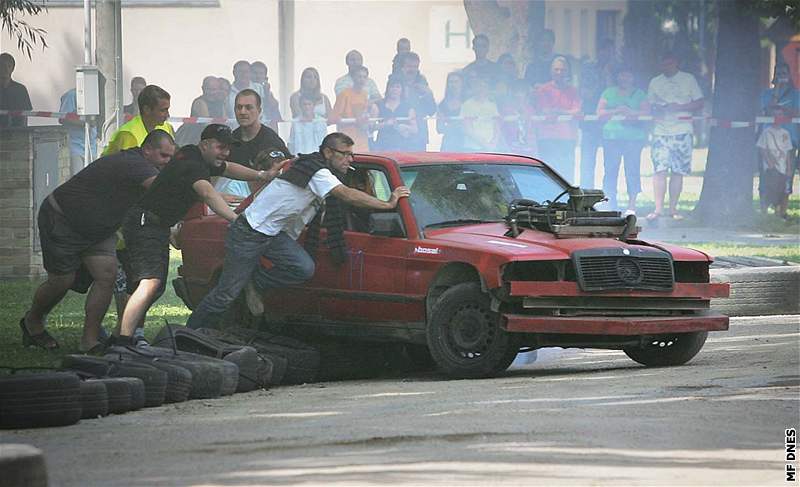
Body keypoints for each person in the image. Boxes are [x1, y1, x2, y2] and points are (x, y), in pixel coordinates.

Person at [184, 132, 411, 329]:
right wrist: (388, 204)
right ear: (328, 153)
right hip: (249, 232)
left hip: (272, 234)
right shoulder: (317, 172)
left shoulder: (314, 168)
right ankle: (189, 333)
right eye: (345, 154)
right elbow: (346, 194)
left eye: (351, 155)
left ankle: (253, 281)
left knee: (303, 268)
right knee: (226, 294)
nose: (349, 159)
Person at [114, 124, 275, 345]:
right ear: (205, 144)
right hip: (145, 222)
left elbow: (228, 168)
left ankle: (132, 335)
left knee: (155, 285)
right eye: (221, 147)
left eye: (228, 148)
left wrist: (262, 174)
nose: (225, 153)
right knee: (150, 282)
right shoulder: (192, 164)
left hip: (155, 224)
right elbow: (207, 193)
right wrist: (236, 220)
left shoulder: (193, 154)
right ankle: (123, 341)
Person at [19, 130, 175, 352]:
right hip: (62, 218)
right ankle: (32, 322)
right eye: (163, 156)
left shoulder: (144, 166)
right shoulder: (135, 163)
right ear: (147, 149)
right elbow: (165, 192)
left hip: (97, 229)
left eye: (171, 157)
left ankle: (89, 340)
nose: (167, 162)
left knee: (106, 275)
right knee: (61, 281)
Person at [646, 51, 704, 221]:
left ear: (676, 63)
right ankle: (658, 209)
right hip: (660, 131)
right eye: (663, 64)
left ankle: (673, 209)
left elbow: (699, 102)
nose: (666, 67)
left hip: (682, 130)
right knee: (660, 170)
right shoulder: (655, 82)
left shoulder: (688, 79)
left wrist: (679, 107)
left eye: (669, 63)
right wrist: (658, 108)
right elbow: (649, 105)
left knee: (678, 171)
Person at [219, 89, 291, 200]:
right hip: (233, 201)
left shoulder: (271, 139)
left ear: (259, 110)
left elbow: (288, 167)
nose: (243, 112)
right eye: (239, 107)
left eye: (248, 107)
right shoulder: (230, 140)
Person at [597, 64, 649, 215]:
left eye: (628, 75)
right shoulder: (609, 92)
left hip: (633, 139)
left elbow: (646, 112)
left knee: (632, 170)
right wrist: (616, 110)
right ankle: (609, 203)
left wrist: (631, 112)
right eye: (621, 75)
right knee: (610, 170)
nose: (624, 78)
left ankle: (632, 205)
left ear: (633, 78)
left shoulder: (639, 94)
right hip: (611, 138)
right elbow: (599, 112)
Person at [759, 63, 799, 215]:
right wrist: (776, 91)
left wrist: (782, 109)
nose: (781, 75)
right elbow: (767, 110)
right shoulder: (766, 93)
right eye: (778, 72)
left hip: (789, 140)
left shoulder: (796, 94)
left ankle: (782, 211)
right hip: (768, 139)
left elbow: (796, 112)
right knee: (767, 174)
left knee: (787, 174)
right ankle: (764, 209)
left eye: (784, 72)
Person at [534, 56, 581, 181]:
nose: (559, 73)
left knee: (567, 173)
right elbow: (544, 110)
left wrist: (559, 111)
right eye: (556, 69)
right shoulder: (543, 89)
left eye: (563, 70)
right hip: (547, 137)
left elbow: (577, 111)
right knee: (547, 172)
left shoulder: (573, 90)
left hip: (567, 137)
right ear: (551, 71)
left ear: (567, 72)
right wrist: (566, 112)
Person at [579, 39, 616, 188]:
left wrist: (608, 76)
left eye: (610, 51)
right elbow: (586, 93)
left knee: (611, 162)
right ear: (599, 51)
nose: (607, 54)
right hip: (590, 121)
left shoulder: (616, 69)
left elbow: (616, 95)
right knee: (588, 161)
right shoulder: (588, 68)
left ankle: (609, 194)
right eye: (605, 51)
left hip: (611, 122)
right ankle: (586, 191)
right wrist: (601, 78)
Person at [103, 84, 175, 156]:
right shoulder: (128, 134)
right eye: (163, 110)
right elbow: (129, 166)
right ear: (147, 110)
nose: (168, 115)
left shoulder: (167, 128)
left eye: (167, 109)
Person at [756, 105, 793, 219]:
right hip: (771, 167)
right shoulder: (767, 132)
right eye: (775, 115)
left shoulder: (785, 133)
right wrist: (769, 161)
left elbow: (787, 151)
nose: (778, 117)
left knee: (782, 190)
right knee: (769, 188)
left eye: (780, 115)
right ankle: (764, 212)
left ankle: (780, 213)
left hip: (782, 166)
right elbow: (762, 148)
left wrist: (788, 167)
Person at [397, 52, 436, 150]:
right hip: (398, 135)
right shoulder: (395, 83)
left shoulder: (423, 84)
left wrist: (427, 94)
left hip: (419, 136)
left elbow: (431, 111)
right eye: (409, 66)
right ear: (402, 67)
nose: (412, 70)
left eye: (415, 66)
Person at [330, 66, 372, 151]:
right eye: (359, 76)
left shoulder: (365, 95)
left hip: (362, 141)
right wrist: (354, 120)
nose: (362, 79)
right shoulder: (344, 94)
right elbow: (334, 118)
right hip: (347, 141)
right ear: (353, 78)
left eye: (364, 77)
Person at [59, 87, 98, 176]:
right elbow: (62, 118)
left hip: (91, 146)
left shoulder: (95, 95)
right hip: (75, 145)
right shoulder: (71, 95)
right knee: (77, 177)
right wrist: (84, 123)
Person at [373, 76, 417, 151]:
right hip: (382, 145)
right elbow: (371, 127)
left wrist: (404, 127)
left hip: (402, 146)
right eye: (392, 87)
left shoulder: (408, 107)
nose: (395, 89)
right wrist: (386, 124)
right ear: (388, 88)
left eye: (398, 87)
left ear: (402, 90)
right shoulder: (378, 105)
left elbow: (415, 129)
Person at [460, 76, 500, 151]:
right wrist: (485, 144)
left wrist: (494, 143)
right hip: (472, 147)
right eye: (478, 86)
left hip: (491, 147)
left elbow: (497, 126)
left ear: (488, 89)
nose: (481, 89)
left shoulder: (492, 105)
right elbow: (467, 129)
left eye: (484, 86)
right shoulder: (467, 105)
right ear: (474, 88)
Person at [0, 52, 32, 128]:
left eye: (9, 66)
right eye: (2, 66)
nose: (6, 69)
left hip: (16, 132)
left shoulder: (20, 89)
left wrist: (23, 133)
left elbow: (25, 114)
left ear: (12, 68)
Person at [437, 71, 466, 152]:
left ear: (462, 83)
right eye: (451, 82)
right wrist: (458, 124)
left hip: (467, 143)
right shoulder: (442, 104)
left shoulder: (468, 102)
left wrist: (451, 125)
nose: (453, 85)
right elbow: (439, 129)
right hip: (448, 144)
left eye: (456, 81)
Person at [251, 61, 283, 132]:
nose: (258, 76)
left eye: (261, 73)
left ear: (265, 77)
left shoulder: (267, 91)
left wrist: (267, 92)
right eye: (255, 73)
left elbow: (274, 109)